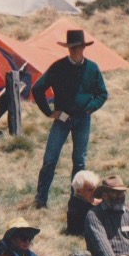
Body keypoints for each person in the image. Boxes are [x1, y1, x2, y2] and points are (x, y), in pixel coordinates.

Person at [32, 29, 108, 209]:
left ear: (83, 47)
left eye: (77, 47)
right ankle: (40, 200)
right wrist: (49, 112)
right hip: (63, 118)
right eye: (72, 47)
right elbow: (37, 89)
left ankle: (77, 202)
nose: (75, 50)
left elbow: (102, 93)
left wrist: (91, 108)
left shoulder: (92, 68)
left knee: (79, 162)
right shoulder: (58, 67)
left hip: (83, 119)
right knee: (50, 159)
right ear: (68, 48)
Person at [67, 170, 101, 235]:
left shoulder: (76, 199)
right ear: (79, 191)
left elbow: (94, 201)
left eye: (95, 189)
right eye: (90, 190)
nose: (94, 192)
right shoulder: (78, 206)